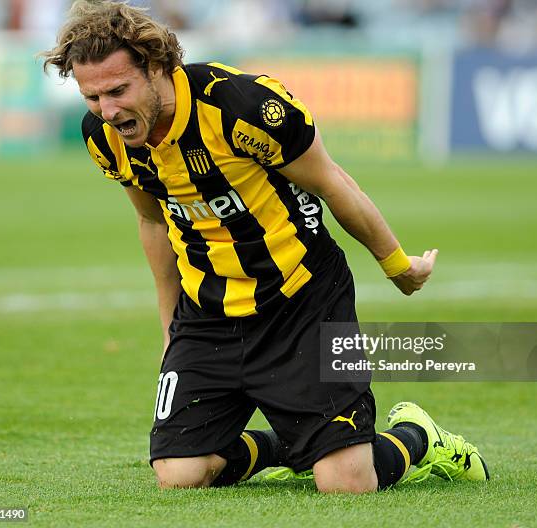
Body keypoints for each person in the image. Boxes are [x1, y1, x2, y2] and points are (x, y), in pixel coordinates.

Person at [42, 0, 489, 493]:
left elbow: (333, 183)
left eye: (118, 91)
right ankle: (290, 449)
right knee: (180, 475)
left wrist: (395, 264)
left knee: (346, 483)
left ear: (155, 67)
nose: (108, 111)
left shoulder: (242, 106)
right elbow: (152, 222)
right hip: (209, 309)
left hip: (302, 299)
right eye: (93, 97)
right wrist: (170, 326)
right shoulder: (106, 137)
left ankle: (419, 437)